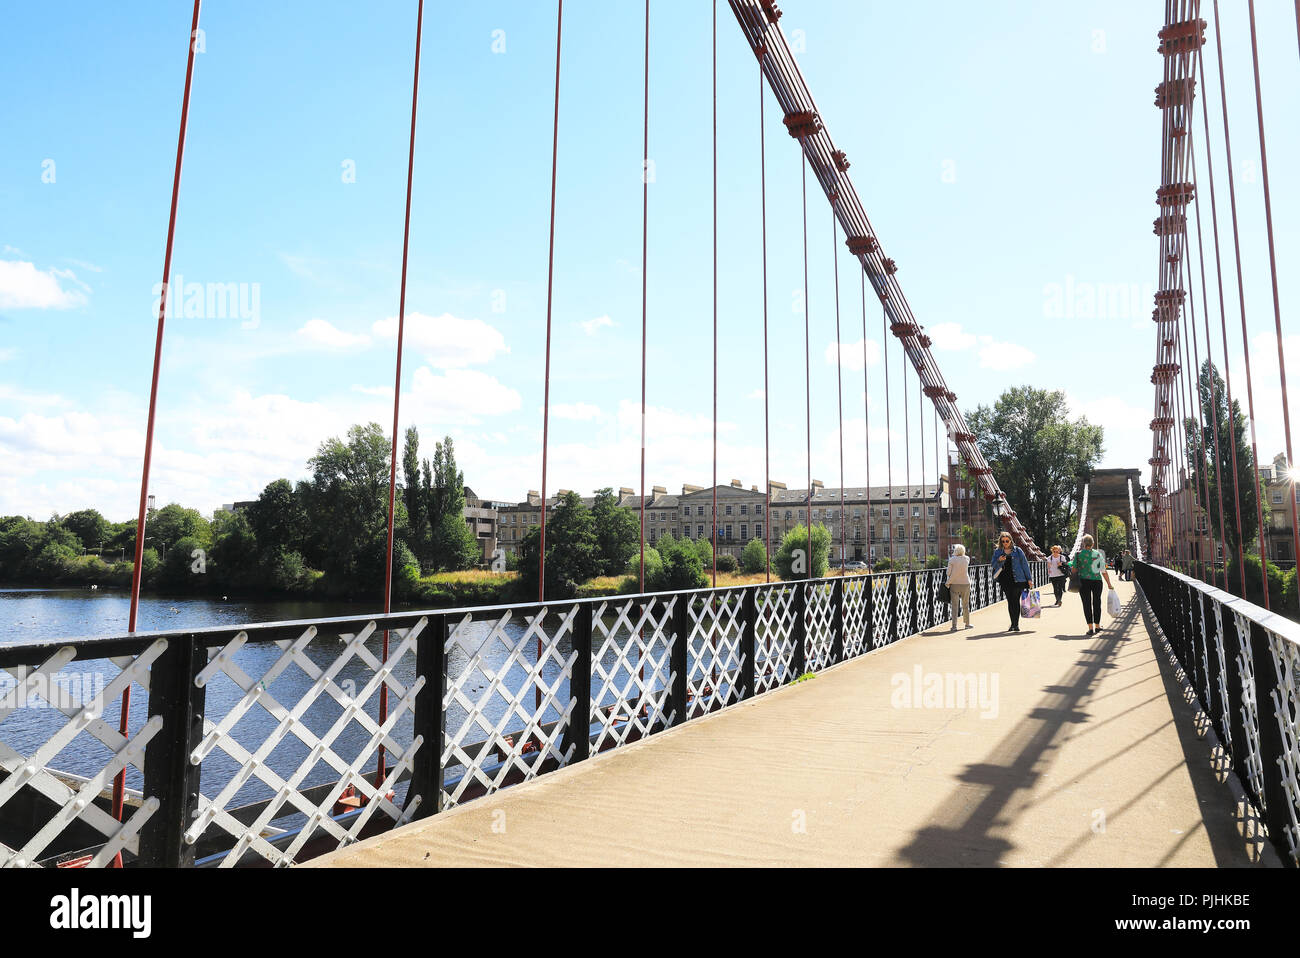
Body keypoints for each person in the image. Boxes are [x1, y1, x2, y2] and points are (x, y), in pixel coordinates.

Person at [1070, 533, 1115, 635]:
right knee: (1097, 603)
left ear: (1083, 543)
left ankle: (1090, 628)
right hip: (1097, 581)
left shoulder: (1078, 555)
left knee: (1086, 604)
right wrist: (1109, 583)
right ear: (1093, 544)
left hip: (1083, 581)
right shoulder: (1098, 554)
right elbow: (1103, 570)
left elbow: (1073, 570)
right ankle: (1097, 626)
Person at [990, 531, 1034, 632]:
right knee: (1010, 602)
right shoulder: (998, 552)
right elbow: (993, 564)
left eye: (1007, 541)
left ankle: (1016, 624)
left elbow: (1024, 565)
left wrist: (1029, 579)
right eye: (1003, 541)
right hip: (1005, 580)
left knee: (1016, 601)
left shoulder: (1018, 551)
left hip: (1018, 579)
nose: (1005, 543)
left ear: (1010, 540)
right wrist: (999, 560)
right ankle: (1012, 623)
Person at [946, 544, 972, 631]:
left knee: (954, 606)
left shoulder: (952, 560)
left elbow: (948, 573)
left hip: (954, 584)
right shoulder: (967, 559)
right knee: (965, 604)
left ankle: (954, 626)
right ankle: (967, 624)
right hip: (966, 583)